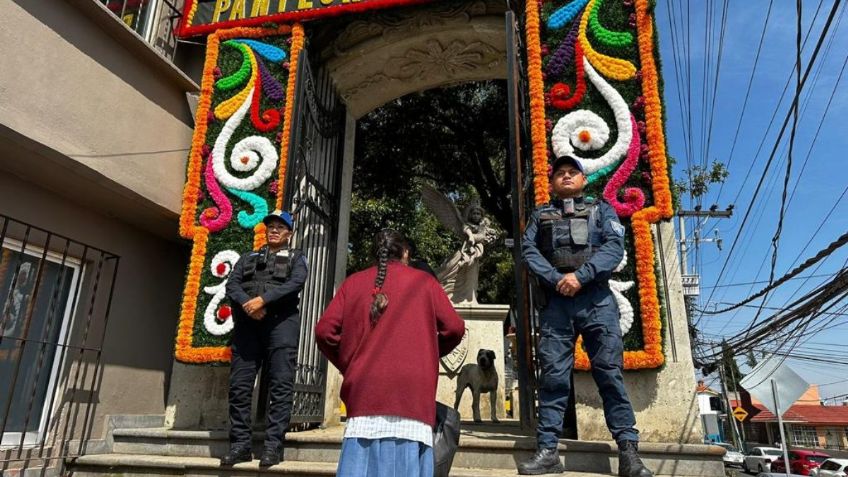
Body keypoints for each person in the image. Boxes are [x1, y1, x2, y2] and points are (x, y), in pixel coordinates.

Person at [518, 155, 653, 477]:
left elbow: (614, 248)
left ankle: (629, 454)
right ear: (552, 183)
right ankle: (548, 452)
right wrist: (556, 278)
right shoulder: (540, 214)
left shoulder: (601, 209)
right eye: (560, 173)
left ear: (583, 179)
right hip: (556, 303)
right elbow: (528, 250)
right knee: (552, 378)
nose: (566, 177)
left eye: (572, 172)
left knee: (609, 374)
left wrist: (581, 276)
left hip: (596, 300)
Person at [315, 229, 465, 477]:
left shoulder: (353, 282)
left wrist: (349, 363)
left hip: (364, 391)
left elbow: (323, 331)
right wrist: (428, 354)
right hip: (412, 392)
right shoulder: (424, 282)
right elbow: (455, 328)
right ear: (405, 253)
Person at [220, 210, 308, 467]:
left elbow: (295, 283)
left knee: (280, 385)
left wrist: (264, 300)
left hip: (281, 324)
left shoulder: (297, 258)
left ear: (289, 234)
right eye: (271, 226)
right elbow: (232, 285)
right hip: (248, 327)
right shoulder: (248, 257)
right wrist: (249, 303)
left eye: (280, 227)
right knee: (239, 387)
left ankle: (272, 448)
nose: (274, 230)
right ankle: (240, 446)